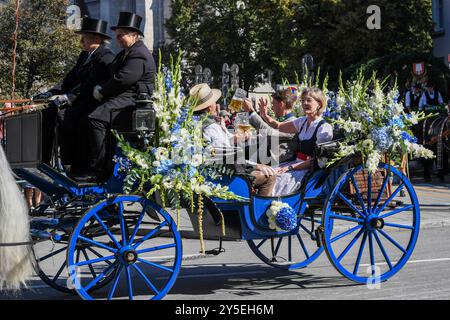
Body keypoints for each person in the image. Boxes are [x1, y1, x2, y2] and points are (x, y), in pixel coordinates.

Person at [81, 12, 156, 180]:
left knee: (96, 118)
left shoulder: (139, 54)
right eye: (117, 36)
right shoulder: (126, 52)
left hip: (134, 101)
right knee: (87, 113)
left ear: (134, 35)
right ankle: (88, 163)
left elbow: (123, 79)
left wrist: (102, 90)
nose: (118, 39)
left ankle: (101, 168)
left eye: (121, 35)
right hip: (123, 98)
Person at [33, 17, 115, 169]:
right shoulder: (85, 55)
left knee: (63, 115)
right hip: (79, 100)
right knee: (47, 112)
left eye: (85, 37)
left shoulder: (105, 57)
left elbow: (89, 84)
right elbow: (70, 79)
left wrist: (67, 97)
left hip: (93, 103)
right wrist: (50, 92)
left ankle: (70, 162)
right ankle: (43, 160)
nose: (81, 41)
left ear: (97, 38)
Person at [190, 83, 276, 197]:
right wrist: (257, 166)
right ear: (210, 106)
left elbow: (221, 146)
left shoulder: (196, 124)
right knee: (270, 176)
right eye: (215, 102)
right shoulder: (211, 127)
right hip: (224, 175)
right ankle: (259, 212)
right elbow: (225, 156)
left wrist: (235, 139)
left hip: (213, 170)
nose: (216, 105)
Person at [259, 87, 333, 196]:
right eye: (303, 100)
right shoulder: (302, 122)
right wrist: (265, 115)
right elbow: (278, 126)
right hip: (296, 163)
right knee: (268, 172)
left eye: (308, 100)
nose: (304, 103)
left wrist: (289, 168)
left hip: (309, 170)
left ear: (319, 104)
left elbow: (317, 160)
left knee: (278, 180)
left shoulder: (324, 128)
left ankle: (273, 205)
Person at [242, 89, 299, 165]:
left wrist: (251, 112)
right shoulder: (279, 121)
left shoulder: (294, 123)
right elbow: (263, 134)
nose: (272, 108)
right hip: (263, 160)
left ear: (281, 104)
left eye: (273, 104)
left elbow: (269, 133)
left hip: (277, 165)